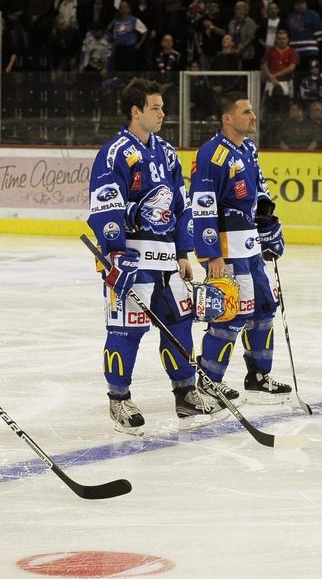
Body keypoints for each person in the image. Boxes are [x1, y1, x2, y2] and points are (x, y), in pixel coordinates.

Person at [87, 78, 221, 435]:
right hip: (133, 259)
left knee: (179, 323)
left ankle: (185, 394)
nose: (163, 113)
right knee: (127, 329)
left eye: (162, 107)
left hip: (167, 262)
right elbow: (105, 206)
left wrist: (182, 252)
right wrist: (115, 254)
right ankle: (119, 399)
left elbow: (181, 206)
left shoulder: (167, 152)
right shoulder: (115, 152)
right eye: (155, 107)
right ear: (136, 111)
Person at [190, 94, 292, 404]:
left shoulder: (248, 148)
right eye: (245, 111)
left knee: (263, 308)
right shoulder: (211, 154)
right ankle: (210, 380)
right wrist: (211, 254)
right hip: (227, 248)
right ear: (227, 118)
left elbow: (260, 193)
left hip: (251, 245)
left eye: (252, 110)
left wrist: (269, 226)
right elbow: (202, 206)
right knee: (230, 313)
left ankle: (258, 375)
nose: (252, 116)